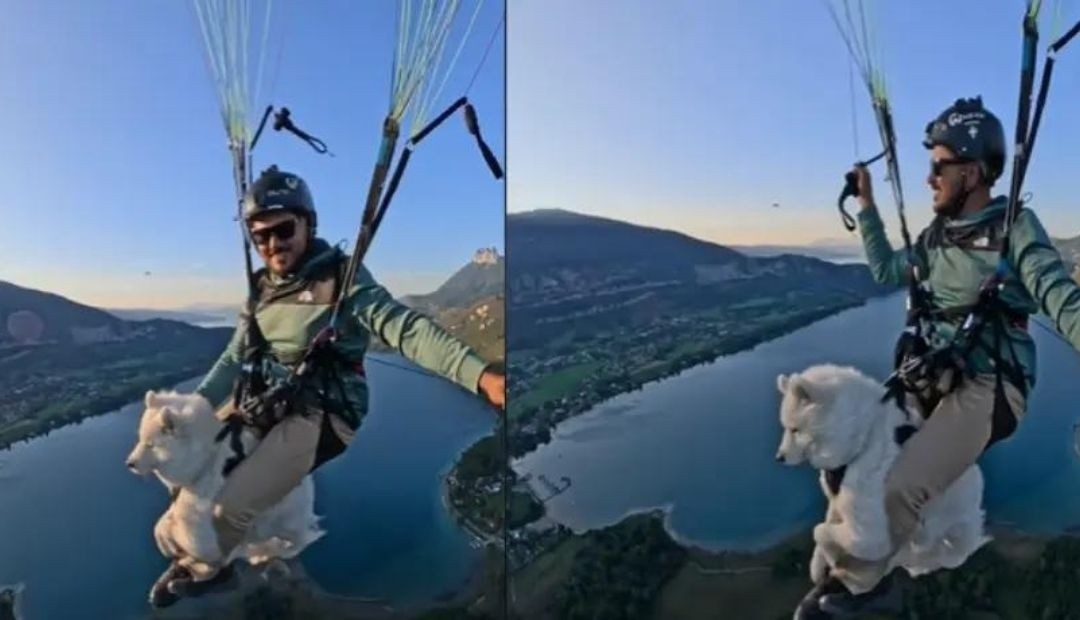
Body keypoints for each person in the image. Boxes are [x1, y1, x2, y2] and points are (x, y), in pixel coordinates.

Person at [149, 166, 505, 606]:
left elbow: (405, 328)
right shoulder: (260, 290)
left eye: (283, 230)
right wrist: (192, 412)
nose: (273, 245)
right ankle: (193, 551)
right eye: (260, 237)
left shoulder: (341, 279)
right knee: (189, 472)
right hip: (267, 401)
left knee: (228, 507)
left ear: (308, 224)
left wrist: (479, 374)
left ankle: (211, 569)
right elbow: (233, 358)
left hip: (322, 414)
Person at [797, 97, 1080, 618]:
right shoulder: (935, 237)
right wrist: (866, 204)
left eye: (938, 166)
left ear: (971, 172)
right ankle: (853, 557)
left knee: (900, 488)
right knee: (841, 464)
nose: (930, 179)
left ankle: (865, 593)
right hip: (935, 373)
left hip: (991, 384)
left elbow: (1059, 294)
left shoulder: (1015, 227)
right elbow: (886, 271)